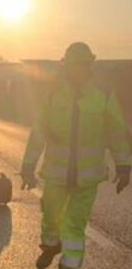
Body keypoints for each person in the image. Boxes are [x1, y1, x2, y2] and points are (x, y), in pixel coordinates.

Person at [21, 42, 131, 269]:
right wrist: (27, 166)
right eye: (74, 65)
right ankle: (51, 246)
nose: (78, 70)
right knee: (51, 220)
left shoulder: (102, 95)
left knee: (73, 225)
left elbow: (117, 132)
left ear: (90, 66)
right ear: (66, 66)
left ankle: (69, 265)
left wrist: (124, 165)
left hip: (87, 179)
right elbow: (38, 133)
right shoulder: (53, 95)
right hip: (56, 174)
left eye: (83, 65)